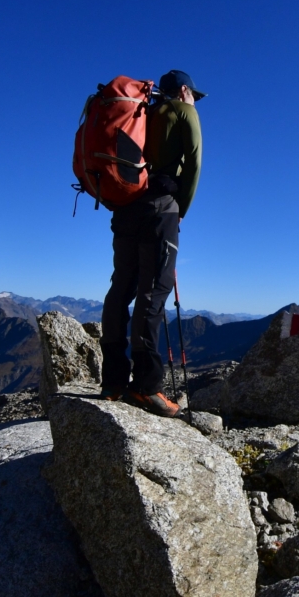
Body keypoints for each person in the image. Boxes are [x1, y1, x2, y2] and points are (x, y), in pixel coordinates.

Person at [99, 70, 204, 417]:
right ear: (185, 90)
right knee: (153, 293)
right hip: (160, 211)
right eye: (193, 96)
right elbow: (194, 165)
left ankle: (112, 381)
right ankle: (145, 387)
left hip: (126, 210)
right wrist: (181, 210)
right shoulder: (183, 111)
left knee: (121, 288)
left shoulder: (141, 113)